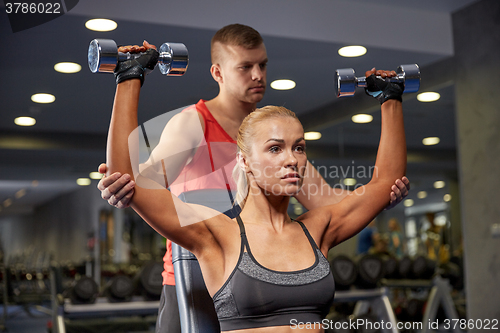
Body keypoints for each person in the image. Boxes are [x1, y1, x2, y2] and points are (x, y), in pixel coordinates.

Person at [98, 24, 410, 332]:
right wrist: (130, 78)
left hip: (268, 259)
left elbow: (326, 199)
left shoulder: (276, 136)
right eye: (245, 67)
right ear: (218, 73)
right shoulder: (192, 123)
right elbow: (138, 181)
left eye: (262, 65)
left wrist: (380, 193)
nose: (258, 75)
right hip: (195, 272)